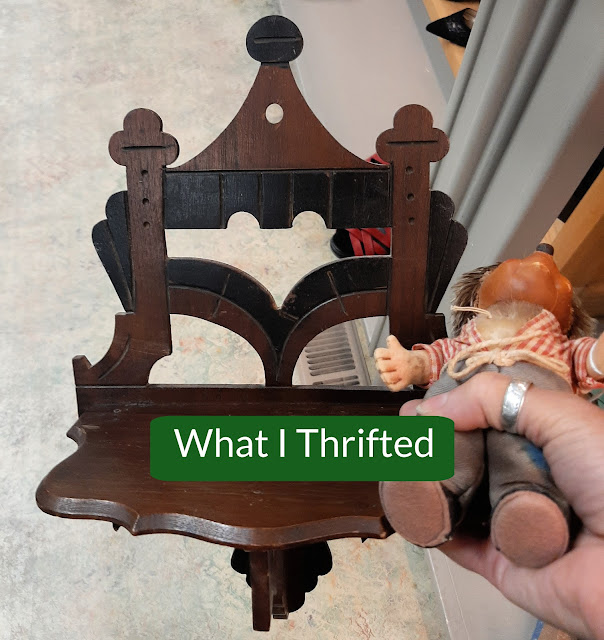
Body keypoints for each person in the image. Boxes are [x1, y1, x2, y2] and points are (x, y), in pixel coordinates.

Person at [400, 371, 604, 639]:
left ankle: (528, 508)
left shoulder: (547, 359)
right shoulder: (461, 358)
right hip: (463, 393)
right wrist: (412, 365)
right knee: (448, 434)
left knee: (520, 455)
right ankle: (433, 487)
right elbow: (432, 360)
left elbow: (587, 362)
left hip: (523, 405)